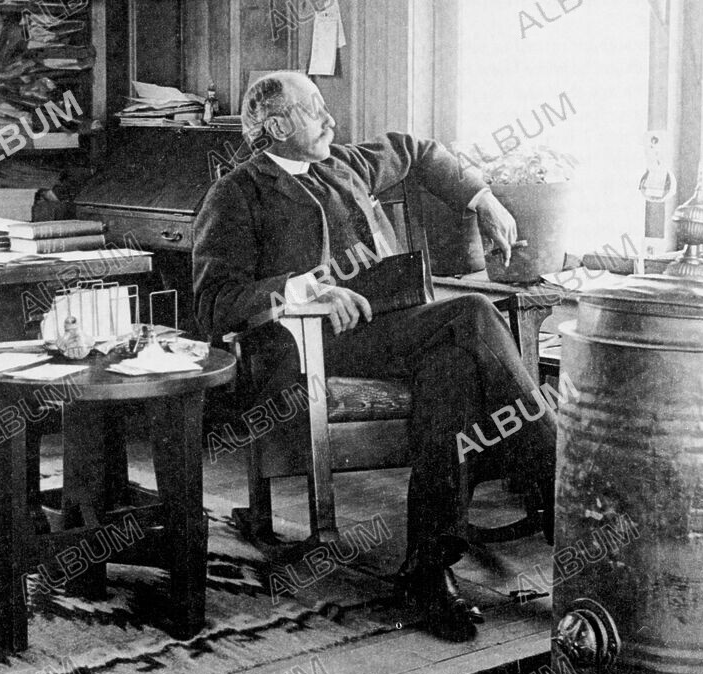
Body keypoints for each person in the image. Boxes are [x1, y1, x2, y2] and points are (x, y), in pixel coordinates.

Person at [193, 71, 556, 641]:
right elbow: (214, 302)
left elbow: (418, 151)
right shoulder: (238, 192)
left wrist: (482, 197)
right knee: (470, 316)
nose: (331, 120)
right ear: (279, 124)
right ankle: (557, 481)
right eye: (315, 111)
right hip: (309, 347)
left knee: (453, 367)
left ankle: (427, 570)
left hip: (394, 333)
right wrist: (304, 289)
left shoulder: (347, 163)